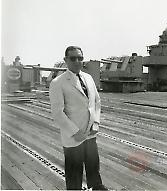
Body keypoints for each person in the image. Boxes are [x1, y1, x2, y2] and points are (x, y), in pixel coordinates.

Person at [49, 46, 107, 190]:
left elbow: (96, 102)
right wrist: (75, 132)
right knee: (74, 174)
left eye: (80, 58)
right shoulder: (58, 83)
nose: (77, 61)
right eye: (73, 58)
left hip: (90, 133)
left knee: (93, 167)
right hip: (73, 136)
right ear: (66, 60)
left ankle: (97, 187)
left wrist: (96, 123)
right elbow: (57, 113)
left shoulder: (88, 78)